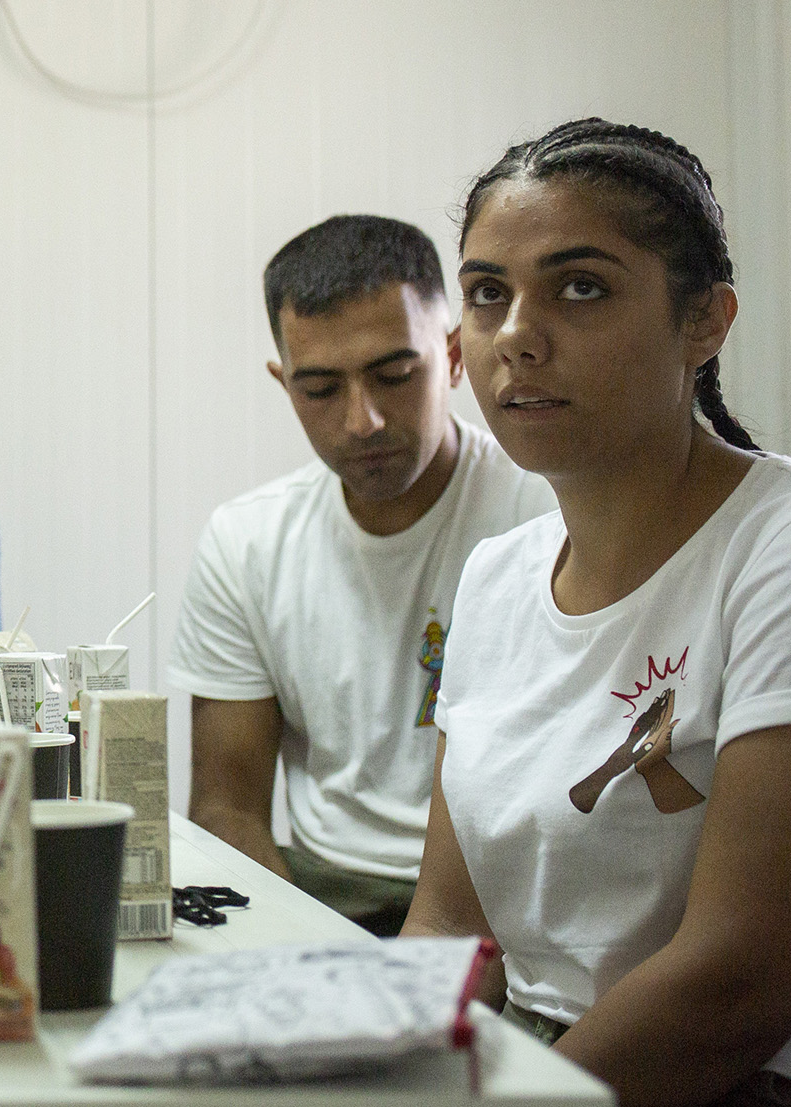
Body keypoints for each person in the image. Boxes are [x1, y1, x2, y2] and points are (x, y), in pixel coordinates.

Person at [403, 119, 791, 1104]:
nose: (516, 335)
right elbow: (449, 927)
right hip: (520, 1065)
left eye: (580, 287)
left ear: (704, 321)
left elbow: (741, 978)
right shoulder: (496, 578)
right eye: (487, 293)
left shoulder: (771, 550)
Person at [169, 215, 553, 936]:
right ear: (284, 383)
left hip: (509, 903)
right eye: (320, 389)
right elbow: (226, 809)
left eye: (395, 376)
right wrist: (320, 958)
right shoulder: (247, 541)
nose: (362, 420)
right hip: (316, 894)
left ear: (453, 357)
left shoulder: (547, 514)